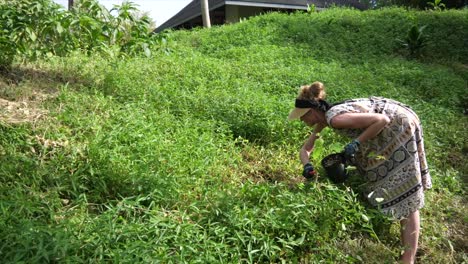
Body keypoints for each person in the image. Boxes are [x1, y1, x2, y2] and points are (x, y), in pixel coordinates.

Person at [288, 81, 432, 264]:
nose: (302, 121)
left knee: (405, 191)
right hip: (399, 119)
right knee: (392, 183)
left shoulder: (334, 118)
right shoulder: (326, 118)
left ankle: (408, 258)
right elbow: (305, 149)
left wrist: (356, 143)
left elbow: (382, 120)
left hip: (399, 125)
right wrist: (307, 165)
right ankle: (403, 241)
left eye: (302, 117)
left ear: (312, 112)